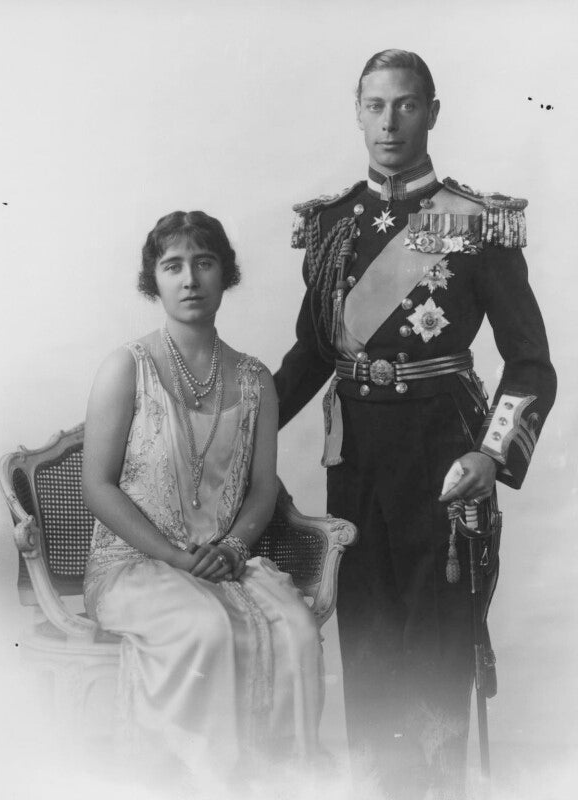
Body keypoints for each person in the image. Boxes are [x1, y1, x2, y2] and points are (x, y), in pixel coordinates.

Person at [274, 50, 556, 799]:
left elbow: (531, 365)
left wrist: (492, 456)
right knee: (364, 633)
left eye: (405, 105)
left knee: (435, 638)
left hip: (443, 454)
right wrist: (246, 430)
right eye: (375, 105)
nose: (389, 122)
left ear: (432, 112)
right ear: (357, 112)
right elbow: (313, 353)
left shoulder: (478, 224)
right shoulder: (332, 225)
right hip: (355, 458)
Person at [82, 211, 324, 785]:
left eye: (204, 263)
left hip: (222, 561)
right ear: (154, 280)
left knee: (295, 626)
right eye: (173, 266)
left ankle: (276, 786)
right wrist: (174, 556)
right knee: (204, 625)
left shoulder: (255, 379)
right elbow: (97, 485)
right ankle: (194, 783)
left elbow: (263, 488)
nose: (190, 279)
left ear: (225, 275)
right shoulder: (125, 367)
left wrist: (234, 548)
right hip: (133, 564)